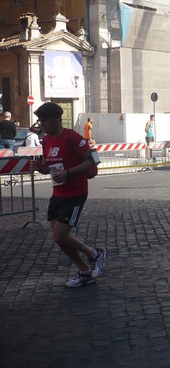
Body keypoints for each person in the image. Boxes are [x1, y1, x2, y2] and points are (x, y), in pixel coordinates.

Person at [29, 102, 106, 288]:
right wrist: (40, 168)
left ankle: (95, 254)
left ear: (56, 120)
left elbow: (94, 160)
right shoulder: (46, 140)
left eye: (44, 120)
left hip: (76, 193)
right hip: (58, 193)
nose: (42, 124)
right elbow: (49, 168)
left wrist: (69, 173)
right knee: (59, 238)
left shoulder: (72, 137)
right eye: (40, 120)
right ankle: (85, 271)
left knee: (59, 236)